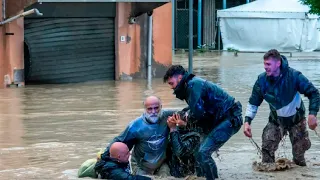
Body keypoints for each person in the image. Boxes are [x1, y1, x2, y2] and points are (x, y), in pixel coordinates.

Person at [163, 65, 243, 179]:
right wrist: (184, 119)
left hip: (229, 118)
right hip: (219, 119)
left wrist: (183, 122)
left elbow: (198, 113)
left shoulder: (193, 85)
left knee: (203, 153)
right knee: (199, 153)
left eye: (171, 83)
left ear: (180, 78)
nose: (172, 88)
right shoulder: (189, 85)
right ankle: (204, 177)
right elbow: (196, 112)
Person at [243, 49, 320, 166]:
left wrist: (312, 114)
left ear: (278, 63)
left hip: (297, 120)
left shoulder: (294, 76)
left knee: (299, 158)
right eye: (264, 64)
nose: (265, 67)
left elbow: (314, 93)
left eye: (268, 64)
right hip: (276, 121)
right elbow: (253, 103)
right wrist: (247, 122)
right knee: (267, 150)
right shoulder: (261, 81)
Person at [95, 96, 174, 177]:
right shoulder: (135, 126)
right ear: (144, 109)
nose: (153, 112)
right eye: (149, 109)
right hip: (140, 166)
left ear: (161, 107)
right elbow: (119, 141)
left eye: (156, 108)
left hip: (161, 164)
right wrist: (103, 157)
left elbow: (186, 113)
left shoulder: (168, 116)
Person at [166, 110, 201, 178]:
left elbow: (179, 152)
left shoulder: (195, 137)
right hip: (172, 172)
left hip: (187, 175)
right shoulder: (171, 130)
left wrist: (173, 129)